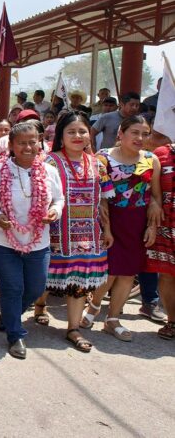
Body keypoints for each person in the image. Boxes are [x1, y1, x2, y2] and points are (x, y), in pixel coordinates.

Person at [0, 122, 64, 359]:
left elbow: (59, 199)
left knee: (36, 287)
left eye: (32, 142)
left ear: (40, 143)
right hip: (1, 241)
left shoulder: (49, 171)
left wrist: (55, 212)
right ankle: (15, 334)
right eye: (22, 143)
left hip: (38, 241)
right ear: (11, 146)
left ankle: (9, 316)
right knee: (12, 287)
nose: (28, 147)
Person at [37, 112, 114, 352]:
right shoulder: (49, 162)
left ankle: (73, 328)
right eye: (71, 131)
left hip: (89, 234)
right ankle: (40, 306)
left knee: (79, 282)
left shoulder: (98, 163)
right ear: (61, 135)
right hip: (55, 231)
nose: (78, 136)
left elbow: (103, 200)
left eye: (82, 131)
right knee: (45, 278)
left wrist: (107, 230)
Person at [83, 116, 161, 342]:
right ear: (121, 133)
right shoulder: (103, 157)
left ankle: (113, 319)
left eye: (145, 134)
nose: (140, 138)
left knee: (127, 274)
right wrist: (106, 227)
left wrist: (152, 226)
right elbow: (98, 196)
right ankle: (93, 307)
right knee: (108, 272)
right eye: (135, 132)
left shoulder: (151, 159)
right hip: (110, 220)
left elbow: (155, 195)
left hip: (137, 223)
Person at [150, 141, 175, 340]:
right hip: (167, 225)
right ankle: (172, 321)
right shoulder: (161, 154)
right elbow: (151, 189)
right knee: (167, 275)